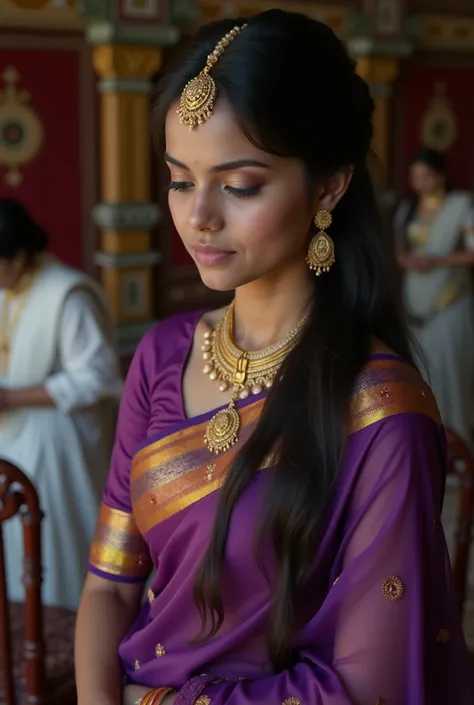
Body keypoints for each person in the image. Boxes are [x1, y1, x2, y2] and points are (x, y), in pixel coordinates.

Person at [75, 11, 473, 705]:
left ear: (328, 187)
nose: (198, 215)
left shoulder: (381, 414)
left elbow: (363, 688)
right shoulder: (162, 355)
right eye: (178, 179)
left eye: (239, 184)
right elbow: (109, 584)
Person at [0, 199, 123, 610]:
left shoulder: (67, 295)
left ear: (16, 256)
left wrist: (10, 397)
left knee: (55, 544)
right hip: (13, 439)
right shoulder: (8, 288)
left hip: (56, 445)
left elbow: (97, 376)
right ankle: (27, 621)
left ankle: (72, 626)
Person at [395, 148, 474, 447]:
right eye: (415, 177)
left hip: (450, 302)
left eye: (427, 175)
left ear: (441, 175)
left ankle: (458, 450)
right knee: (422, 372)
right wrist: (409, 262)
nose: (421, 182)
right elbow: (400, 253)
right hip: (415, 301)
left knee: (452, 373)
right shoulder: (408, 208)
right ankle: (427, 444)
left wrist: (436, 261)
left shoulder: (461, 206)